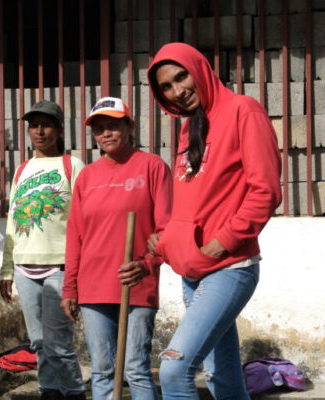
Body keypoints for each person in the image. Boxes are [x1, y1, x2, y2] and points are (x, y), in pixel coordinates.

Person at [146, 42, 281, 398]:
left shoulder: (243, 111)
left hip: (229, 266)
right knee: (222, 377)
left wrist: (221, 242)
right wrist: (168, 239)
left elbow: (264, 190)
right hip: (193, 270)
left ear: (200, 69)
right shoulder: (190, 127)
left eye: (181, 77)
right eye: (167, 87)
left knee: (175, 370)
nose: (178, 91)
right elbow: (193, 198)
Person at [61, 97, 172, 400]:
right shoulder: (87, 176)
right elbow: (76, 236)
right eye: (99, 129)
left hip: (136, 282)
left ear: (129, 126)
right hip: (93, 286)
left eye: (113, 125)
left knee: (136, 368)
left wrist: (147, 264)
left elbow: (167, 230)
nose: (106, 133)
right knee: (102, 371)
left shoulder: (153, 167)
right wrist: (70, 288)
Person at [0, 100, 86, 400]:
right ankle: (48, 391)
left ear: (60, 129)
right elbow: (12, 221)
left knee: (59, 344)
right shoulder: (22, 169)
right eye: (33, 125)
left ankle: (74, 392)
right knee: (37, 343)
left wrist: (77, 272)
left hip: (59, 268)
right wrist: (7, 269)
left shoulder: (72, 166)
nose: (39, 131)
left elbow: (82, 221)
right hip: (24, 268)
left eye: (46, 124)